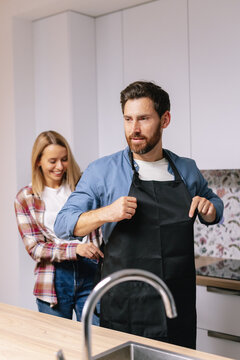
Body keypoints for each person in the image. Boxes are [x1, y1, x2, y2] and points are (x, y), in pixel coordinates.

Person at [54, 82, 223, 348]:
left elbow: (213, 204)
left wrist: (210, 210)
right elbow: (63, 224)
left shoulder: (186, 169)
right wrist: (106, 213)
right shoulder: (102, 171)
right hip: (124, 310)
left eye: (143, 119)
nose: (134, 129)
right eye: (128, 119)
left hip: (175, 307)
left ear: (165, 119)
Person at [14, 130, 103, 323]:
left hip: (92, 270)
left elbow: (101, 221)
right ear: (38, 161)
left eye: (64, 159)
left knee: (97, 343)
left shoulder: (83, 186)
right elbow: (35, 248)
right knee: (58, 346)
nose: (60, 166)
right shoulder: (25, 198)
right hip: (53, 279)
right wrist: (75, 249)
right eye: (52, 161)